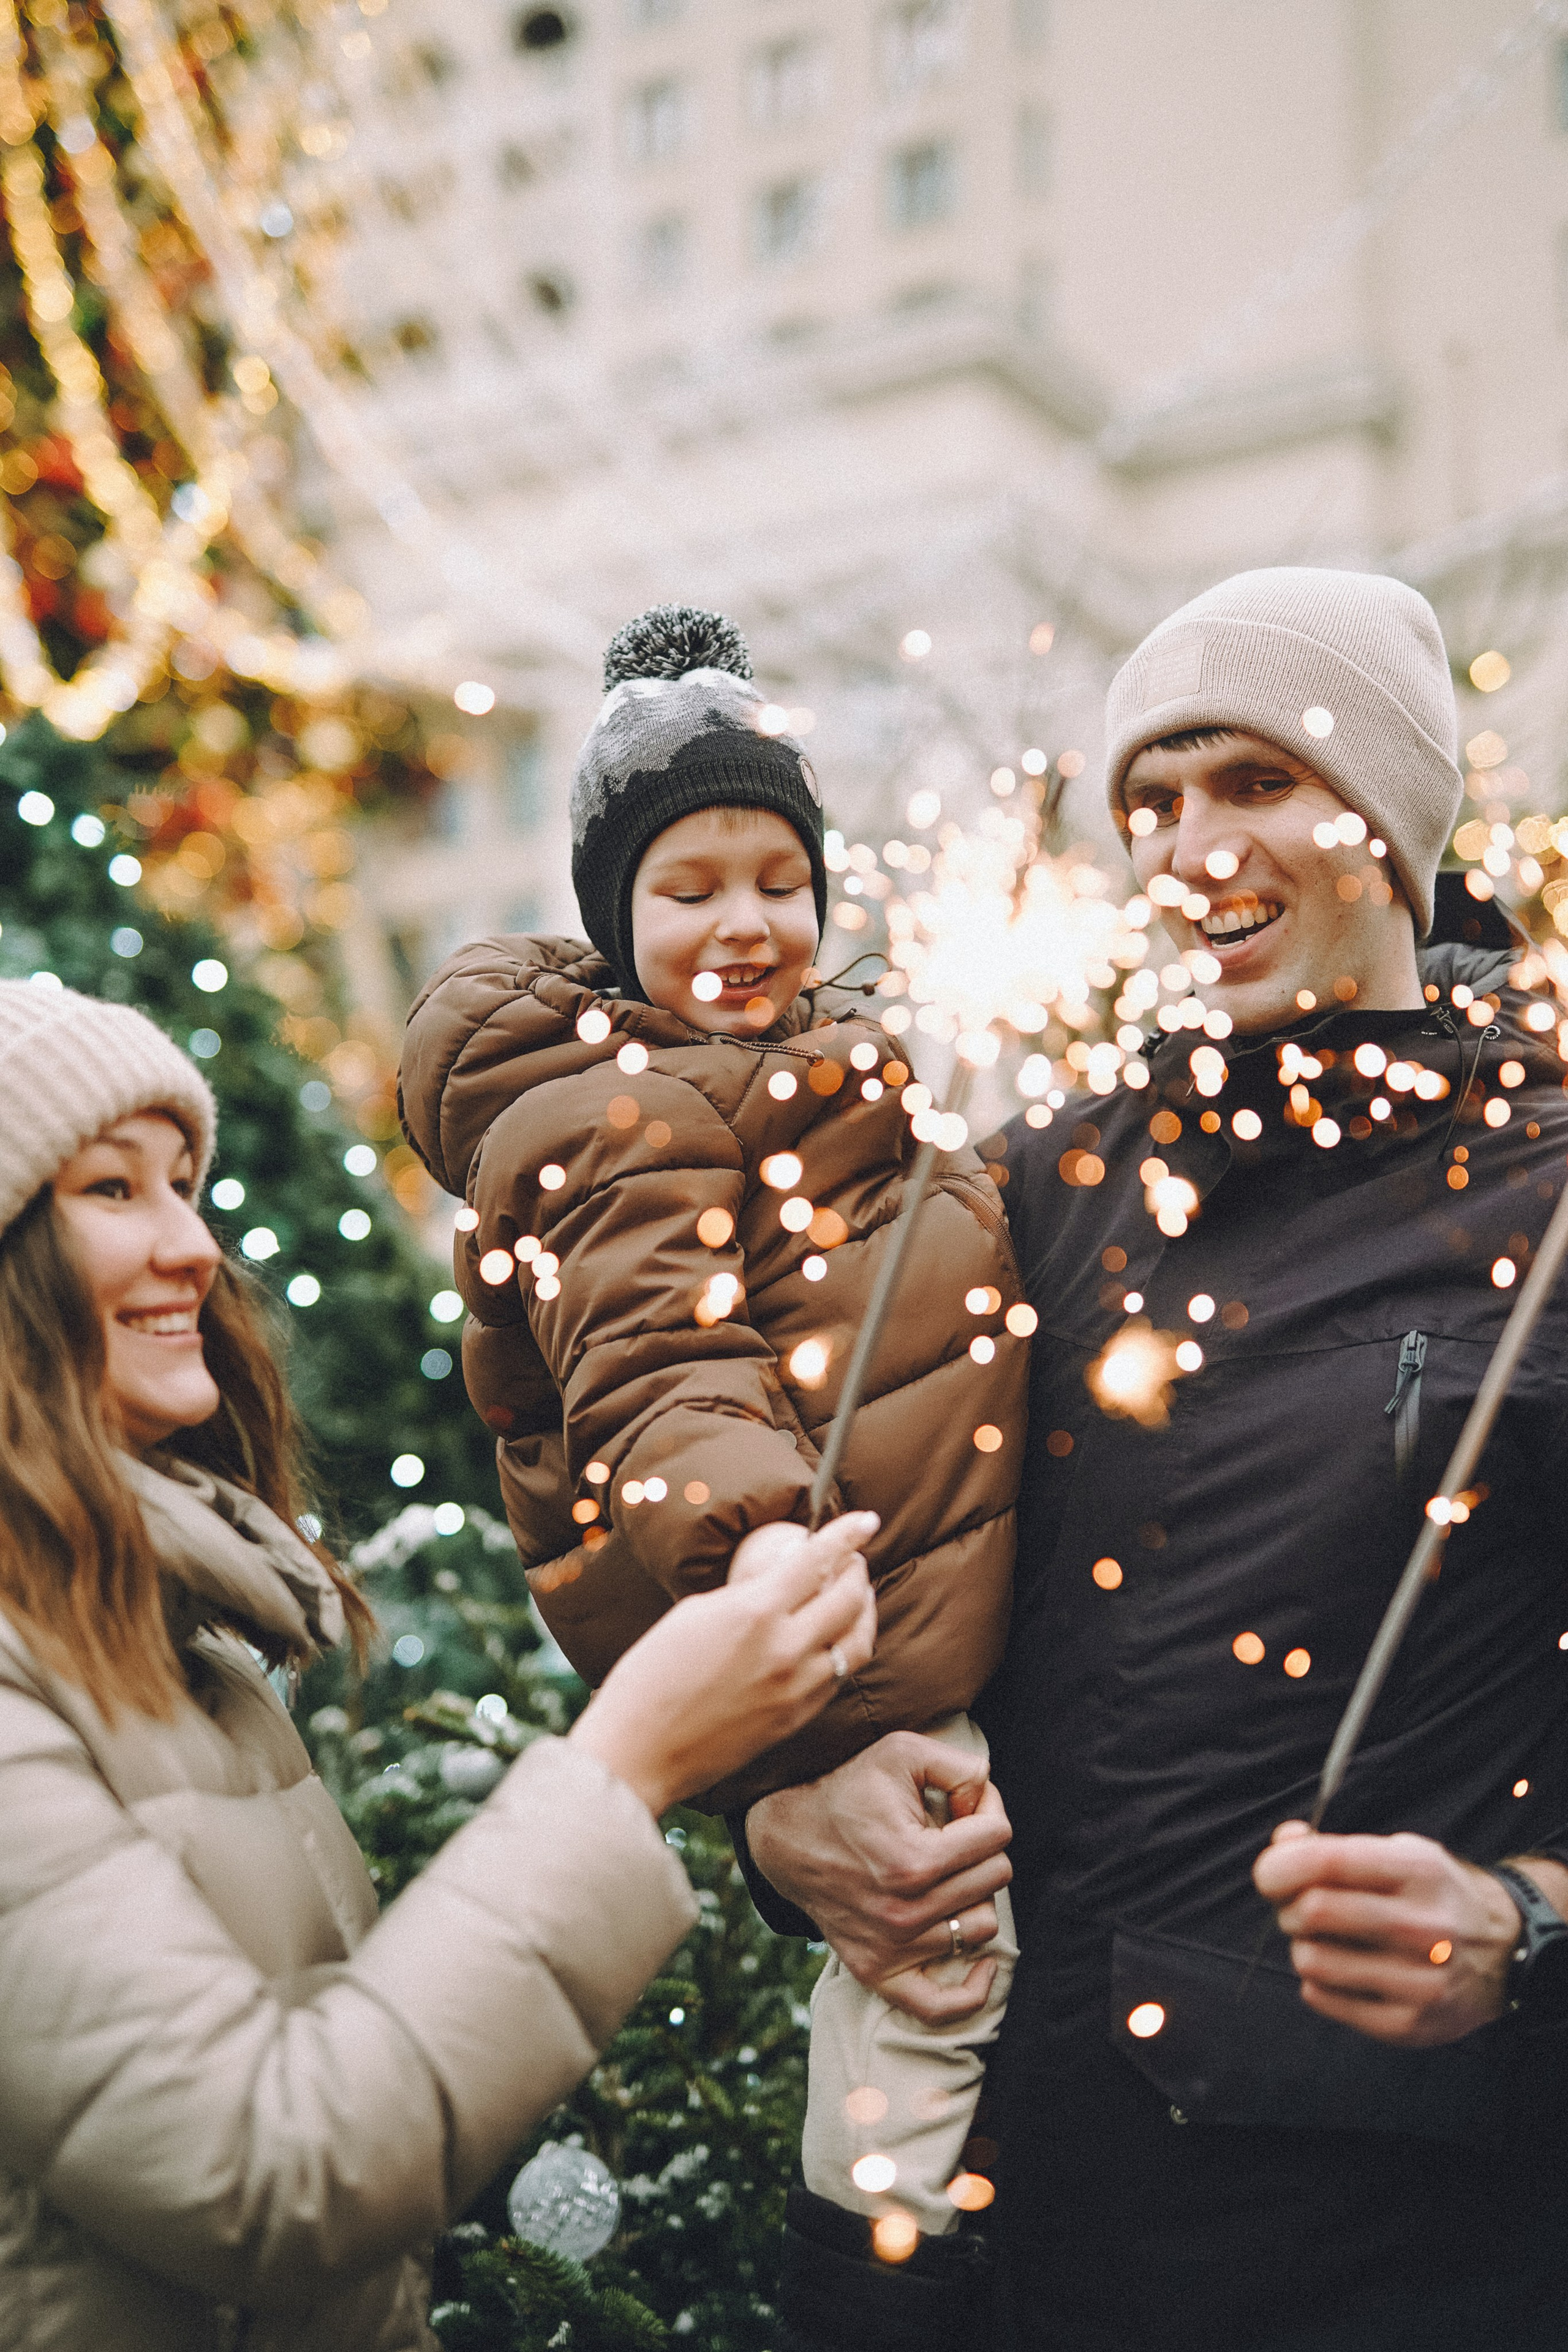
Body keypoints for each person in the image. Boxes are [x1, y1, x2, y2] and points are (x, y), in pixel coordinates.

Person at [743, 568, 1568, 2350]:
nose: (1194, 840)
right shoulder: (1030, 1190)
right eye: (1155, 797)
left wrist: (1533, 1927)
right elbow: (862, 1592)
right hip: (1021, 2214)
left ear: (1400, 817)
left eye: (1259, 780)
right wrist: (782, 1814)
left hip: (1404, 2244)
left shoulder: (1549, 1199)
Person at [0, 974, 877, 2352]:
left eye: (185, 1183)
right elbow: (276, 2175)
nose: (193, 1247)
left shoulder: (178, 1631)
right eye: (113, 1192)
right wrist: (625, 1760)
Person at [398, 605, 1026, 2335]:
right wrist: (767, 1560)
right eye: (689, 890)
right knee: (937, 1979)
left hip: (904, 1592)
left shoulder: (815, 1068)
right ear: (617, 921)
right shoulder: (623, 1123)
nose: (745, 923)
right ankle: (881, 2290)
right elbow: (664, 1369)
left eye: (777, 876)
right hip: (829, 1629)